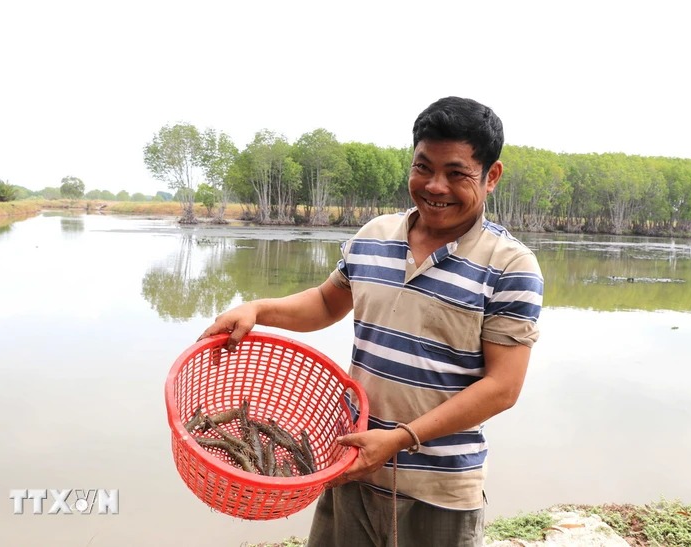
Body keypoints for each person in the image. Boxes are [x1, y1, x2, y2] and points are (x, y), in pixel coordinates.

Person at [199, 96, 544, 547]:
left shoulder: (511, 266)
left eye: (456, 173)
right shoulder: (373, 237)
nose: (435, 185)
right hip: (350, 467)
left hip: (438, 492)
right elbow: (326, 304)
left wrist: (402, 438)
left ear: (491, 176)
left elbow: (503, 387)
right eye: (423, 167)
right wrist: (258, 309)